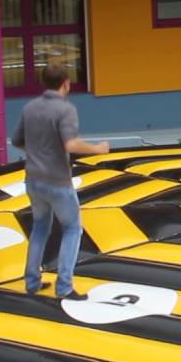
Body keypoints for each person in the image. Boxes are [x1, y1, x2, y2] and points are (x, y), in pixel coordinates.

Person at [12, 65, 110, 298]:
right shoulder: (66, 110)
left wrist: (36, 152)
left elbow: (17, 140)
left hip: (33, 179)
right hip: (57, 180)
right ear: (66, 83)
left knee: (39, 228)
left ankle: (32, 282)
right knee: (72, 229)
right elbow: (70, 144)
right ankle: (64, 286)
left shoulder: (30, 107)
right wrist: (98, 149)